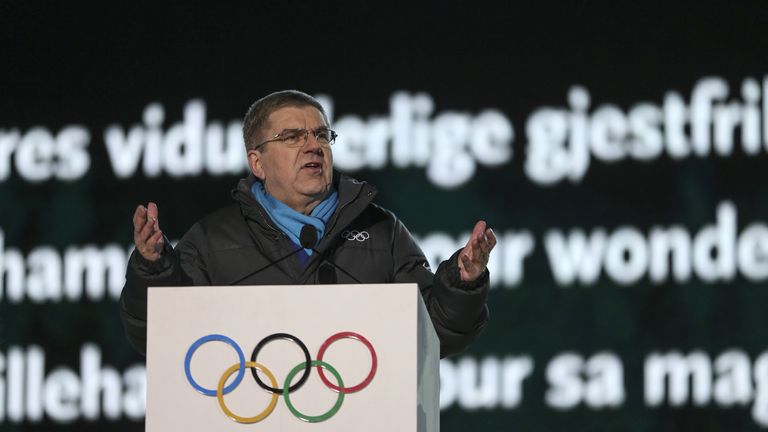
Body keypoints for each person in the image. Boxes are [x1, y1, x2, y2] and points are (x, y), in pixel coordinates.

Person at [120, 90, 497, 358]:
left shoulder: (382, 230)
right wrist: (153, 270)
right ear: (258, 163)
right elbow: (158, 337)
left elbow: (436, 334)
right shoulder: (210, 238)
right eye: (292, 137)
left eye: (320, 135)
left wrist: (462, 284)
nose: (313, 146)